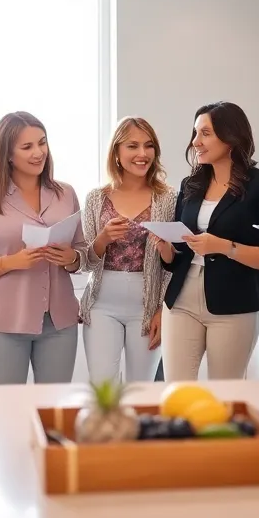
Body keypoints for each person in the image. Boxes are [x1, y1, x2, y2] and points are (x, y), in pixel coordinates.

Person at [155, 102, 259, 380]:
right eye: (195, 133)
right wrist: (166, 250)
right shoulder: (190, 185)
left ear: (230, 138)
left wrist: (224, 247)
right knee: (177, 390)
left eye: (205, 133)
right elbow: (179, 256)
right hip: (182, 299)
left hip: (234, 302)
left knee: (225, 392)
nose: (195, 142)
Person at [0, 112, 87, 385]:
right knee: (7, 406)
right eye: (27, 147)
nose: (38, 152)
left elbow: (82, 253)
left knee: (53, 405)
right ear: (7, 154)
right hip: (5, 321)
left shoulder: (66, 193)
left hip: (59, 322)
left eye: (42, 143)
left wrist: (72, 258)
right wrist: (11, 262)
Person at [79, 117, 178, 383]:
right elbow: (85, 263)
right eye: (132, 146)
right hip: (101, 305)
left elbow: (175, 264)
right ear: (117, 151)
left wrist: (163, 310)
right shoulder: (96, 198)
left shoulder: (168, 198)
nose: (142, 154)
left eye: (149, 145)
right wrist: (103, 238)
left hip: (147, 308)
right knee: (103, 388)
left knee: (141, 390)